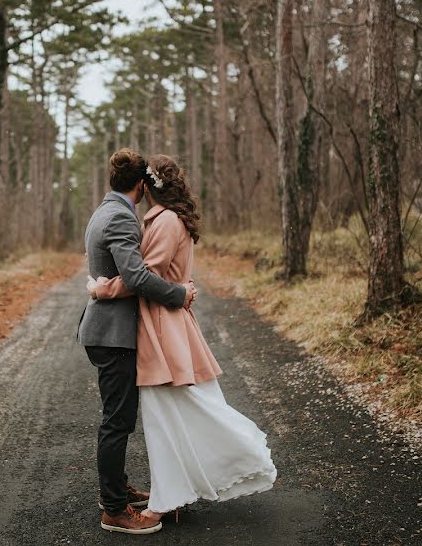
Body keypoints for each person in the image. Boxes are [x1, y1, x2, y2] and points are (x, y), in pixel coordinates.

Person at [87, 154, 276, 521]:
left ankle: (170, 496)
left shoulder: (163, 221)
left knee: (168, 414)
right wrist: (180, 290)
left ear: (148, 186)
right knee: (163, 414)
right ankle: (170, 494)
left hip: (161, 327)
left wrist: (101, 289)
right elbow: (148, 275)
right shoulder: (158, 219)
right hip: (155, 326)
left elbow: (144, 277)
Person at [77, 149, 197, 535]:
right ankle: (113, 507)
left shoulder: (105, 211)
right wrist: (180, 294)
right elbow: (139, 277)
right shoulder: (121, 219)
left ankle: (117, 488)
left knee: (119, 418)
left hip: (108, 332)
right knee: (117, 422)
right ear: (142, 185)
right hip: (113, 335)